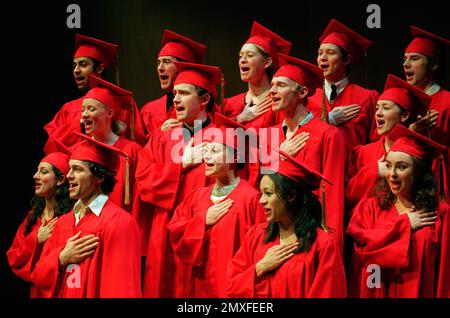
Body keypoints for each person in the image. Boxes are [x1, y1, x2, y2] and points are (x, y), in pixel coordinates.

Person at [136, 62, 222, 297]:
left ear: (204, 100)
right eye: (174, 94)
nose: (175, 99)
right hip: (163, 231)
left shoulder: (223, 139)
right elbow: (143, 179)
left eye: (183, 93)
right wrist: (181, 164)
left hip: (204, 232)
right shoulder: (161, 139)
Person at [31, 134, 142, 298]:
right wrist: (61, 258)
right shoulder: (63, 222)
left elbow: (121, 289)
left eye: (77, 169)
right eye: (69, 168)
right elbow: (38, 276)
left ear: (99, 176)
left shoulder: (118, 222)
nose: (68, 175)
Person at [167, 115, 266, 297]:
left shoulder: (251, 199)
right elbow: (176, 234)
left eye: (214, 151)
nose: (206, 156)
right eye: (206, 150)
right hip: (199, 287)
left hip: (233, 290)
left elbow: (260, 249)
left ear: (235, 156)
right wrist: (202, 221)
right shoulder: (197, 197)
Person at [226, 150, 347, 298]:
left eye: (268, 193)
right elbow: (232, 287)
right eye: (261, 194)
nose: (261, 201)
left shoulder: (322, 246)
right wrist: (260, 267)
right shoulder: (256, 236)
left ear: (291, 196)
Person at [347, 124, 449, 297]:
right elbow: (364, 251)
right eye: (388, 165)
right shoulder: (371, 207)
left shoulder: (439, 213)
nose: (392, 174)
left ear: (418, 172)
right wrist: (405, 224)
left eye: (401, 167)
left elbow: (445, 272)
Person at [267, 53, 347, 250]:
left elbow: (332, 191)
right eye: (272, 85)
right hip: (276, 235)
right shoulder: (268, 136)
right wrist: (278, 157)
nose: (272, 91)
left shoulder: (327, 134)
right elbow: (259, 187)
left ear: (302, 92)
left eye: (281, 85)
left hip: (310, 234)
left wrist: (331, 243)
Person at [78, 74, 150, 256]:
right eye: (83, 109)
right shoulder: (80, 149)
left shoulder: (131, 151)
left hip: (118, 237)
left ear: (110, 113)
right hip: (85, 237)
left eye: (91, 109)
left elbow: (137, 202)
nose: (84, 115)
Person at [345, 74, 433, 215]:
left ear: (404, 116)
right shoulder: (363, 153)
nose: (378, 113)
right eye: (377, 108)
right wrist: (375, 172)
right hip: (368, 228)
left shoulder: (418, 154)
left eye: (385, 108)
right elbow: (348, 197)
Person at [44, 34, 145, 151]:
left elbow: (136, 145)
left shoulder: (122, 103)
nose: (76, 70)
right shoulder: (68, 108)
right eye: (74, 65)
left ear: (99, 68)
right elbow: (51, 146)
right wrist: (79, 124)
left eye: (83, 64)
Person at [7, 152, 72, 298]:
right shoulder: (33, 217)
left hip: (64, 289)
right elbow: (14, 259)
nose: (35, 176)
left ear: (61, 180)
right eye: (37, 171)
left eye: (43, 172)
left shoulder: (70, 218)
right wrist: (35, 240)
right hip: (38, 291)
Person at [309, 19, 379, 153]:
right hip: (314, 172)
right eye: (320, 53)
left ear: (346, 60)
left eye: (330, 52)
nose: (322, 58)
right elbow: (293, 137)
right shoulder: (307, 96)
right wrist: (328, 119)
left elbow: (376, 144)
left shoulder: (367, 98)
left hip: (353, 172)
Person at [403, 26, 449, 202]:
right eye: (405, 59)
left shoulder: (447, 103)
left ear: (434, 64)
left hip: (439, 188)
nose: (406, 64)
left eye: (414, 59)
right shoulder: (402, 103)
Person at [223, 21, 291, 130]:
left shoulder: (279, 102)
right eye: (240, 56)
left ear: (267, 62)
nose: (242, 60)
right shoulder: (229, 104)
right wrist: (239, 119)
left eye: (250, 55)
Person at [140, 30, 207, 139]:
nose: (160, 68)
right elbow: (138, 150)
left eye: (166, 62)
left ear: (183, 67)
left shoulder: (205, 108)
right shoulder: (148, 111)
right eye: (158, 62)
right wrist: (160, 133)